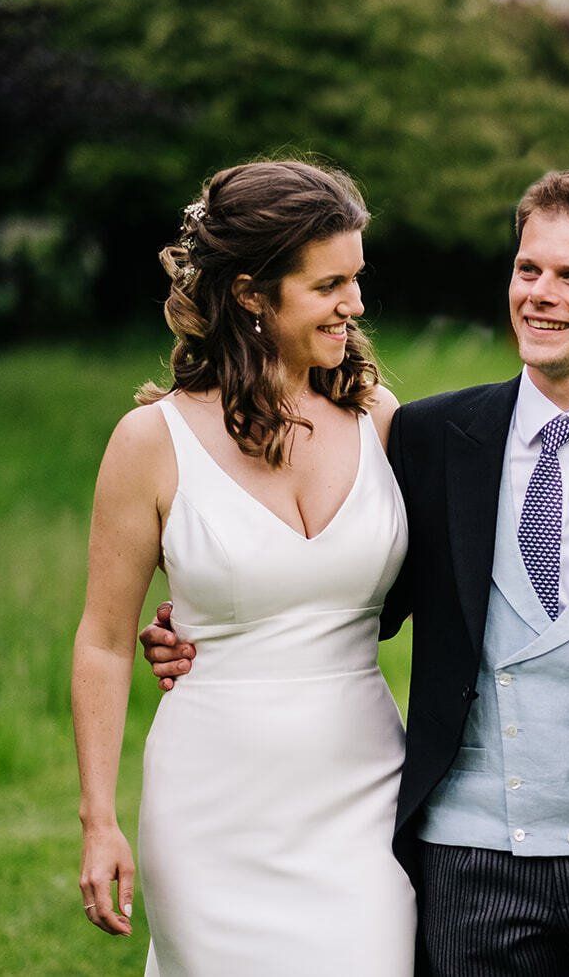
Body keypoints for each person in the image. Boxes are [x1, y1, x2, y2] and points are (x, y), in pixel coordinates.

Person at [145, 168, 569, 976]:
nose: (540, 293)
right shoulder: (430, 439)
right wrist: (212, 622)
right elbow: (351, 591)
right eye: (528, 268)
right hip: (466, 857)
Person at [72, 160, 415, 974]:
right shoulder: (151, 442)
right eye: (329, 284)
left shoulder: (380, 421)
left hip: (366, 793)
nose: (355, 303)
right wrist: (99, 818)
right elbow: (103, 641)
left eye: (357, 278)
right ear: (252, 294)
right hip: (210, 807)